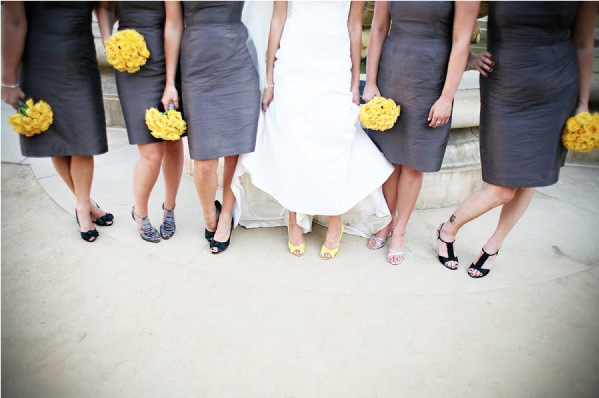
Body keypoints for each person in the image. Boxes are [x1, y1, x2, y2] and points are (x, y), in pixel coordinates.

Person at [436, 1, 598, 278]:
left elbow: (583, 43)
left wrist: (583, 103)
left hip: (557, 90)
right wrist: (469, 60)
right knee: (501, 188)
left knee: (529, 177)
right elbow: (455, 24)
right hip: (506, 88)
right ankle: (448, 229)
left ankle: (494, 245)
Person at [232, 1, 394, 259]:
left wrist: (354, 81)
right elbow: (278, 19)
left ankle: (334, 219)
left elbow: (354, 26)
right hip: (293, 62)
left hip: (334, 65)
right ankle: (294, 217)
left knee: (334, 140)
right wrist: (270, 78)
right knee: (293, 139)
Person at [363, 1, 480, 265]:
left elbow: (461, 41)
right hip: (392, 71)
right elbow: (379, 28)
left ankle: (400, 231)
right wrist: (370, 82)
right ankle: (386, 222)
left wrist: (447, 97)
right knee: (389, 158)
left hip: (431, 77)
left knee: (414, 163)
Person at [2, 1, 113, 243]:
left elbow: (104, 6)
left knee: (85, 139)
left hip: (80, 58)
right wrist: (8, 80)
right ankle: (84, 205)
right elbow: (14, 21)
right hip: (38, 62)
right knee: (56, 139)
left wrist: (108, 40)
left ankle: (83, 205)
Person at [161, 1, 260, 254]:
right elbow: (173, 24)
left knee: (234, 151)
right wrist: (170, 82)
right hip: (196, 66)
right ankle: (209, 217)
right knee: (204, 164)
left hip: (239, 60)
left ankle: (226, 216)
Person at [97, 1, 184, 243]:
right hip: (132, 65)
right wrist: (109, 43)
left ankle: (170, 207)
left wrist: (170, 83)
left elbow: (174, 23)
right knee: (152, 152)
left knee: (173, 141)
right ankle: (140, 212)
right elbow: (104, 8)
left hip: (169, 57)